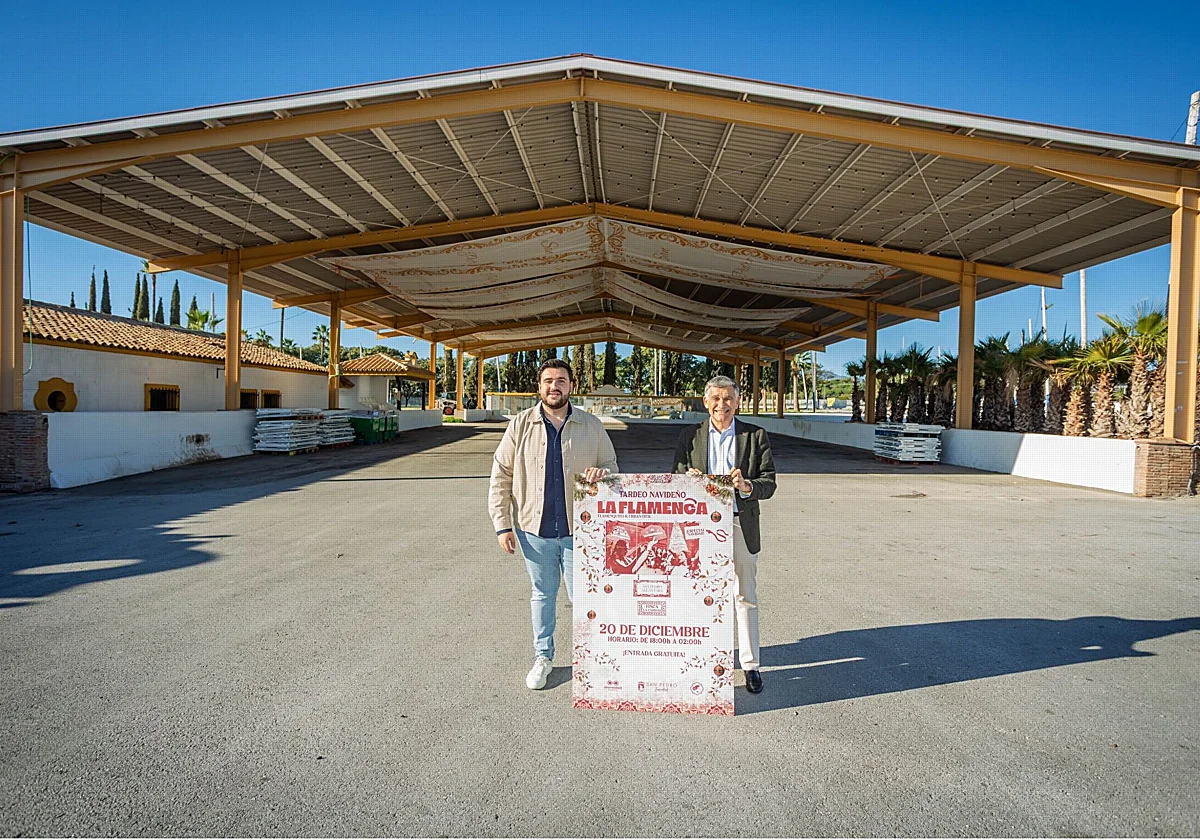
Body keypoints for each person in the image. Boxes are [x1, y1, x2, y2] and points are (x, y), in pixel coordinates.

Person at [489, 358, 619, 690]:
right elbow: (501, 475)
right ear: (540, 386)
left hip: (580, 531)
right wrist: (502, 524)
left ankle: (592, 658)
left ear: (571, 385)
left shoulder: (591, 425)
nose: (554, 386)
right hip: (534, 531)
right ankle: (543, 657)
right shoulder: (520, 425)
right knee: (543, 595)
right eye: (548, 380)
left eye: (561, 380)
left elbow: (611, 465)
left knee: (584, 599)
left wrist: (603, 473)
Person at [672, 374, 777, 694]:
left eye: (728, 398)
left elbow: (769, 483)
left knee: (745, 596)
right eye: (716, 399)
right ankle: (705, 660)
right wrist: (689, 481)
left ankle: (750, 665)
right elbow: (675, 476)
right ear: (706, 402)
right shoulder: (690, 435)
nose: (722, 405)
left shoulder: (755, 435)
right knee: (702, 595)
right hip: (700, 528)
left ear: (738, 401)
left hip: (739, 523)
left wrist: (746, 486)